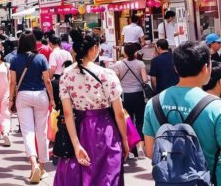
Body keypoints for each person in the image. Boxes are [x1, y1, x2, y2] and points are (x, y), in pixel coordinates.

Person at [142, 41, 221, 186]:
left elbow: (150, 152)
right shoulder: (217, 107)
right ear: (206, 67)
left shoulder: (153, 104)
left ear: (176, 68)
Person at [53, 30, 130, 186]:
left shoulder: (66, 75)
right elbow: (119, 113)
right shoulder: (106, 74)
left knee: (77, 176)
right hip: (104, 130)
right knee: (107, 176)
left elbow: (67, 113)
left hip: (78, 128)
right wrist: (124, 140)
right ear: (95, 48)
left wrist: (76, 145)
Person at [8, 33, 55, 183]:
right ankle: (42, 167)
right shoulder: (41, 58)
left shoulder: (15, 59)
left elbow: (12, 82)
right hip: (41, 95)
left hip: (23, 95)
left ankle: (33, 163)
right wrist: (52, 98)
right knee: (42, 131)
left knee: (28, 131)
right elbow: (47, 80)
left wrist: (10, 100)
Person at [114, 42, 150, 157]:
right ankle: (140, 148)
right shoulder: (140, 64)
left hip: (125, 96)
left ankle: (129, 149)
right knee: (140, 121)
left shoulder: (118, 64)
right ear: (135, 52)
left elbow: (116, 81)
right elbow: (144, 80)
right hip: (138, 95)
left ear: (124, 52)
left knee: (127, 121)